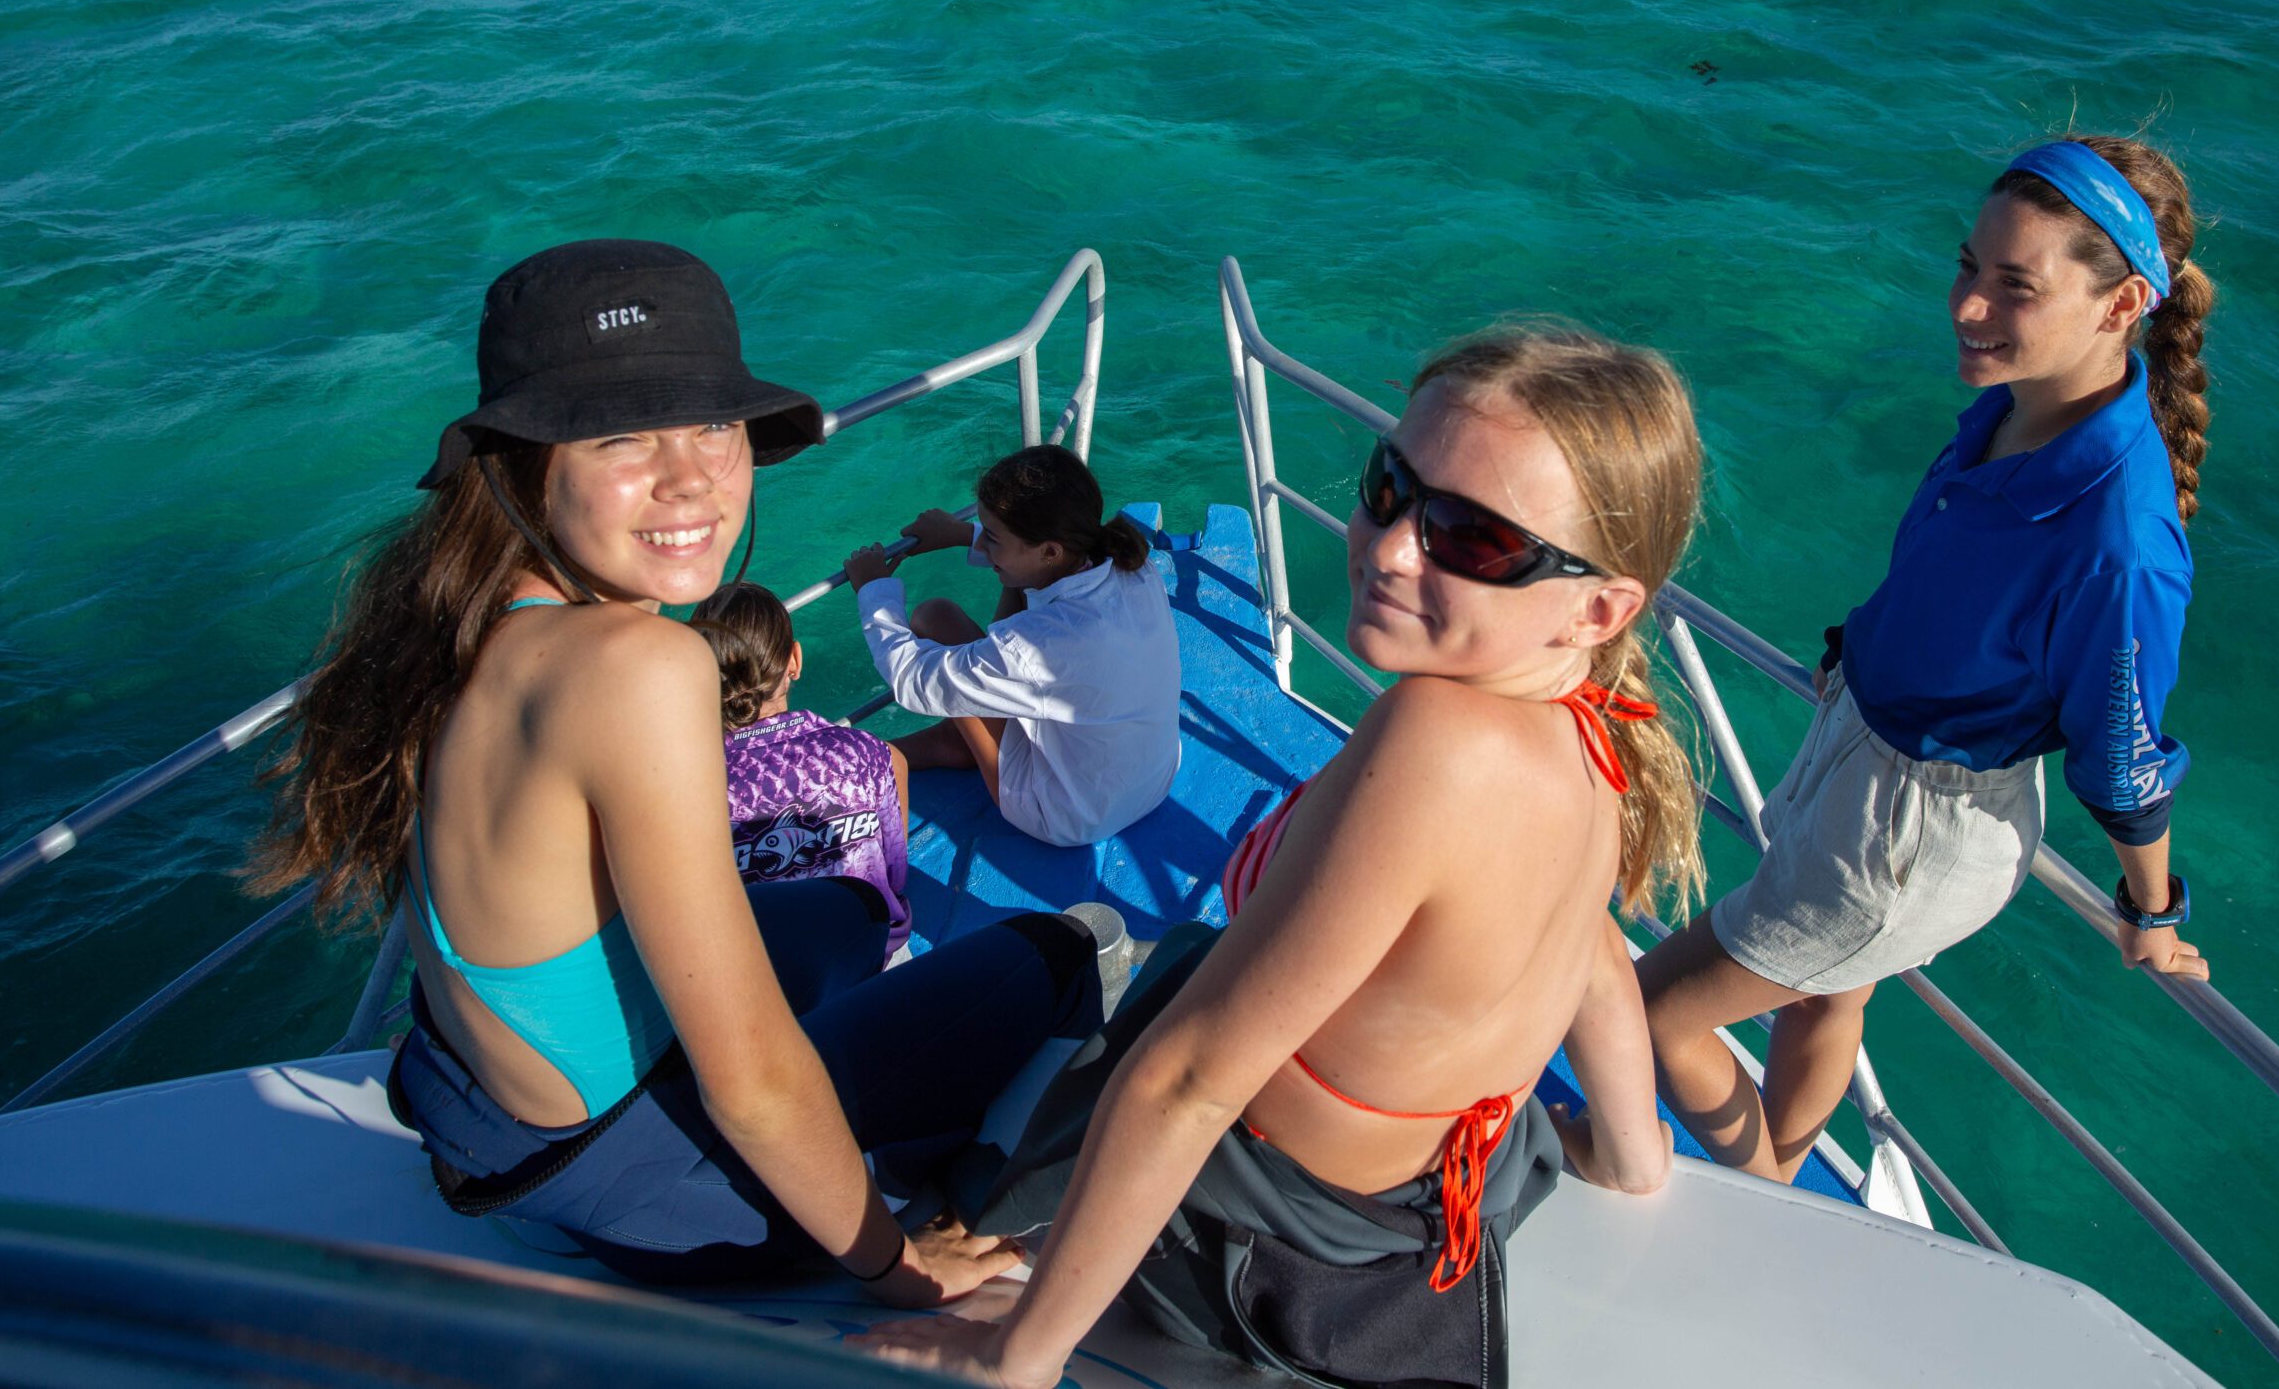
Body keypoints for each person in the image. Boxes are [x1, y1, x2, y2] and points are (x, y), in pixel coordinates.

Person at [859, 327, 1704, 1389]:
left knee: (1025, 1047)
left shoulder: (1437, 740)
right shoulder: (1592, 727)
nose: (1391, 548)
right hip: (1443, 1185)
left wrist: (1013, 1353)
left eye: (1474, 540)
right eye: (1391, 487)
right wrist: (1629, 1155)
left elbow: (1188, 1083)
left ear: (1598, 608)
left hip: (1272, 1227)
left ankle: (975, 1225)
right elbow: (1592, 949)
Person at [248, 238, 1100, 1292]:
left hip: (494, 1125)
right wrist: (894, 1265)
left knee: (842, 913)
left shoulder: (453, 617)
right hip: (645, 1178)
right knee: (1057, 954)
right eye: (620, 436)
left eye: (712, 425)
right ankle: (918, 1178)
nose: (691, 478)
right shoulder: (639, 667)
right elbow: (752, 1087)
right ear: (522, 460)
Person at [1637, 135, 2216, 1186]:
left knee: (1650, 1014)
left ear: (2123, 304)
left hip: (1908, 832)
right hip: (1867, 749)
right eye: (1967, 265)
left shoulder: (2121, 541)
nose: (1966, 305)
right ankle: (1782, 1180)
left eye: (2014, 285)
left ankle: (1750, 1202)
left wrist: (2152, 913)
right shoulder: (2016, 407)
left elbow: (2122, 754)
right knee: (1828, 995)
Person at [843, 445, 1181, 848]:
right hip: (1150, 781)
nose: (983, 546)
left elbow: (912, 680)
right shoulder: (1132, 566)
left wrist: (874, 590)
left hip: (1070, 815)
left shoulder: (1038, 646)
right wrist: (961, 534)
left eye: (991, 537)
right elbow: (1036, 563)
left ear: (1050, 550)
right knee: (959, 610)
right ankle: (964, 735)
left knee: (934, 618)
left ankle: (932, 746)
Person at [693, 580, 915, 955]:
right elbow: (894, 877)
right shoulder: (869, 755)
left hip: (760, 970)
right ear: (794, 660)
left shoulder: (689, 789)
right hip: (871, 950)